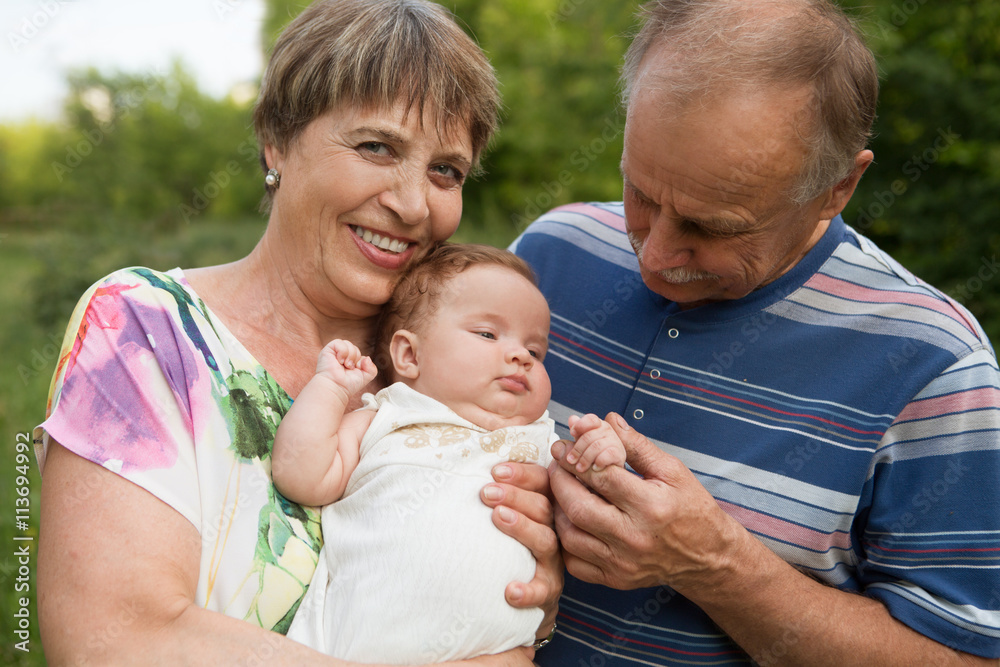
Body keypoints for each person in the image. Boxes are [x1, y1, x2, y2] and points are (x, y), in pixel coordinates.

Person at [33, 2, 560, 664]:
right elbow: (116, 640)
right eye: (377, 146)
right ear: (275, 141)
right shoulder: (147, 329)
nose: (413, 203)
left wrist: (526, 603)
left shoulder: (465, 363)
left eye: (445, 170)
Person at [512, 0, 1000, 664]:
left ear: (839, 188)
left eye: (713, 227)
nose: (654, 254)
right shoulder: (549, 255)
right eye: (641, 195)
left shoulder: (936, 364)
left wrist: (714, 564)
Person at [273, 244, 574, 662]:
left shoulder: (540, 439)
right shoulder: (388, 417)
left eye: (536, 351)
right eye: (488, 333)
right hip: (356, 646)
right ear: (410, 355)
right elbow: (301, 474)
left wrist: (597, 456)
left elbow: (579, 516)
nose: (520, 355)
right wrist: (330, 388)